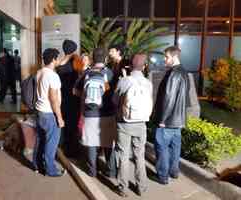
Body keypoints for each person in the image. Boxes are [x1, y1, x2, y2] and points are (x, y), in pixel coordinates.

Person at [114, 54, 153, 197]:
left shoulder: (124, 81)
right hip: (141, 123)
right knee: (139, 155)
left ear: (130, 65)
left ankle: (123, 188)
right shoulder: (148, 83)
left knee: (123, 155)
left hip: (124, 123)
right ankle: (141, 187)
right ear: (144, 67)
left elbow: (114, 100)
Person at [74, 48, 117, 178]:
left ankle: (92, 171)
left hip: (90, 114)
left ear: (92, 59)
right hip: (107, 114)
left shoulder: (86, 74)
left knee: (92, 143)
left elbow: (74, 91)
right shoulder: (110, 73)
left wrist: (86, 96)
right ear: (105, 59)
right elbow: (116, 93)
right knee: (109, 143)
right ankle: (111, 171)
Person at [153, 46, 189, 185]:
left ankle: (163, 176)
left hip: (168, 120)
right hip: (179, 120)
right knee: (175, 148)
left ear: (174, 57)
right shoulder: (184, 72)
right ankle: (174, 172)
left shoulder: (174, 74)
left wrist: (162, 119)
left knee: (162, 148)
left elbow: (169, 98)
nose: (164, 59)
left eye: (166, 57)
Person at [33, 48, 66, 177]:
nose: (58, 60)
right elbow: (53, 98)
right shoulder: (52, 76)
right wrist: (60, 117)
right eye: (57, 58)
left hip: (40, 111)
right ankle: (51, 170)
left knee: (40, 140)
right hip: (50, 113)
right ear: (53, 59)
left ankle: (37, 165)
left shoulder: (40, 72)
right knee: (51, 143)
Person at [57, 39, 81, 157]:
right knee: (72, 124)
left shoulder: (59, 63)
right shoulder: (74, 62)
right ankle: (72, 151)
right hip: (73, 97)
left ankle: (62, 147)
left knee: (64, 123)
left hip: (62, 97)